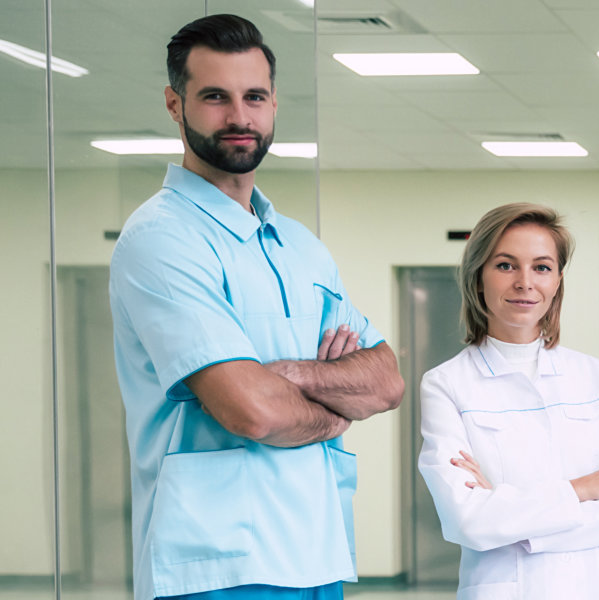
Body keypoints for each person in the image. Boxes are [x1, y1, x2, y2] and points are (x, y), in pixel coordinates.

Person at [109, 14, 404, 600]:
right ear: (175, 104)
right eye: (215, 97)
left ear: (273, 105)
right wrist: (335, 412)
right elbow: (253, 413)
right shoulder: (162, 239)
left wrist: (291, 374)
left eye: (255, 97)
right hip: (216, 566)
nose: (239, 117)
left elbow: (387, 381)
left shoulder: (300, 246)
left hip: (317, 553)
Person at [415, 203, 599, 599]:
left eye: (541, 267)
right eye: (506, 265)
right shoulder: (446, 384)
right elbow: (466, 520)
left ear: (558, 280)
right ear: (478, 278)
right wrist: (584, 488)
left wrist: (507, 517)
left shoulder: (594, 376)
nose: (525, 282)